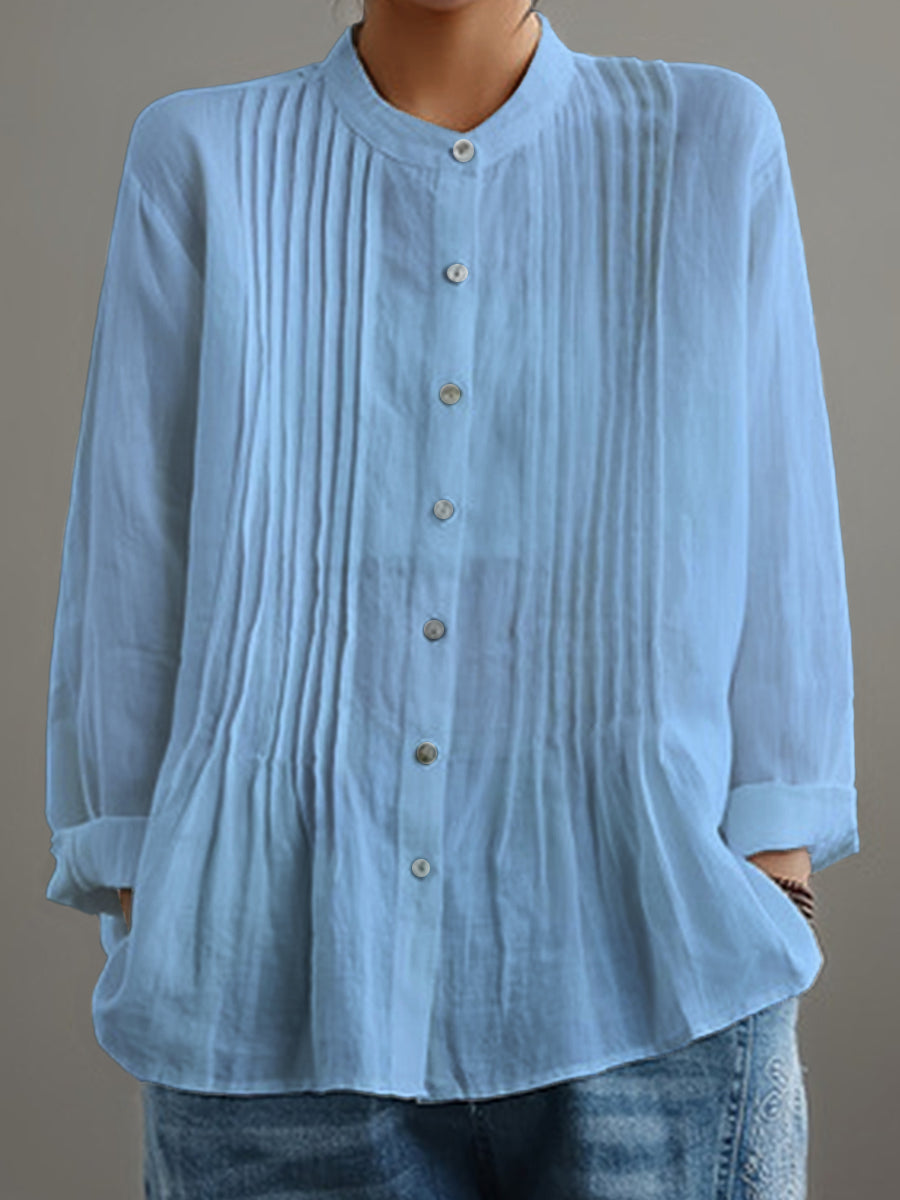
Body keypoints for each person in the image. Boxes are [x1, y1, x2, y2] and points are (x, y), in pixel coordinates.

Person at [45, 0, 857, 1196]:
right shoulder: (201, 156)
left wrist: (778, 879)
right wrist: (146, 882)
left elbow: (782, 519)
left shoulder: (710, 137)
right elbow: (132, 544)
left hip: (661, 993)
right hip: (275, 997)